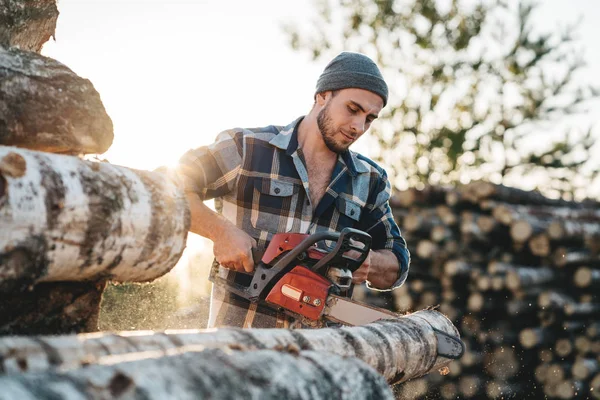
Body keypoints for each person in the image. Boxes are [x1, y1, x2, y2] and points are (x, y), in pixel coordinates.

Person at [175, 52, 410, 329]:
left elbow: (398, 261)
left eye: (370, 118)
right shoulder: (247, 149)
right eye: (352, 109)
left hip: (320, 357)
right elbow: (167, 188)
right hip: (239, 350)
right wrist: (220, 231)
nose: (358, 126)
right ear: (322, 96)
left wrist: (370, 262)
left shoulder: (369, 180)